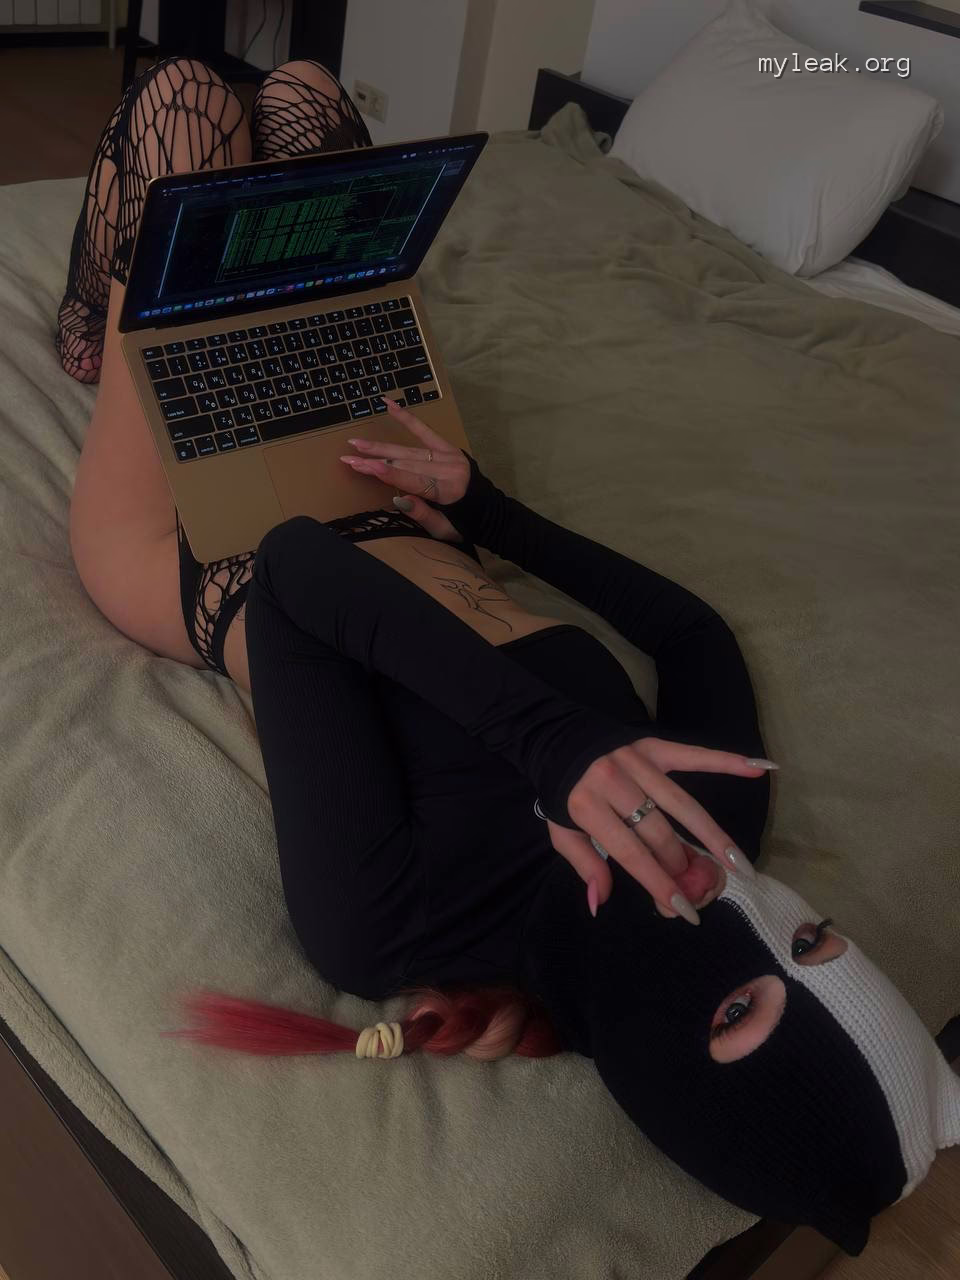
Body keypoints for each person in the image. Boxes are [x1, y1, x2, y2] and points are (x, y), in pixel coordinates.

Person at [63, 58, 960, 1258]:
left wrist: (557, 747)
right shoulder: (709, 817)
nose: (737, 916)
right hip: (393, 496)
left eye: (745, 1002)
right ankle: (126, 307)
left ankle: (93, 320)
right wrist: (486, 510)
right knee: (307, 99)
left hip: (202, 559)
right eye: (814, 939)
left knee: (190, 108)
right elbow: (694, 632)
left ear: (666, 1071)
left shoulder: (394, 925)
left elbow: (293, 572)